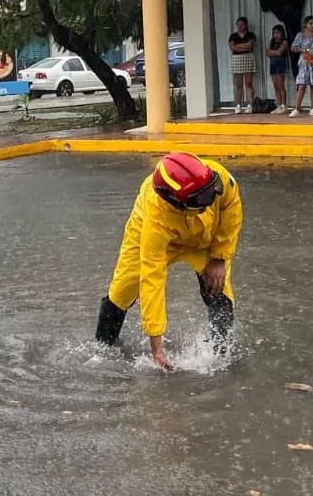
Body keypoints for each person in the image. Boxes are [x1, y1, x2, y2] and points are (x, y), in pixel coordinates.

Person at [95, 152, 244, 370]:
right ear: (177, 202)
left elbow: (231, 209)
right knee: (122, 290)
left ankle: (224, 357)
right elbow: (152, 279)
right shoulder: (155, 221)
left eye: (211, 193)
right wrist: (156, 347)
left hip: (205, 238)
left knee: (218, 290)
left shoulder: (215, 176)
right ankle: (103, 349)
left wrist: (220, 257)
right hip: (151, 236)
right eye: (202, 200)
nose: (211, 200)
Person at [290, 15, 313, 117]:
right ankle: (297, 108)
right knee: (302, 85)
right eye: (310, 23)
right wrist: (302, 50)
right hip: (304, 63)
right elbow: (293, 48)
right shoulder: (300, 35)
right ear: (305, 25)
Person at [227, 17, 257, 113]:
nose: (240, 26)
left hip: (248, 57)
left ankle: (250, 104)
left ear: (246, 25)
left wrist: (238, 46)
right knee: (238, 84)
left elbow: (249, 45)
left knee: (249, 83)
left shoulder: (250, 35)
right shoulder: (233, 36)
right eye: (238, 24)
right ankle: (238, 105)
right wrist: (242, 47)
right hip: (237, 59)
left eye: (242, 24)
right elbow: (232, 47)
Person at [266, 24, 290, 112]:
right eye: (274, 33)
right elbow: (267, 53)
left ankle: (284, 105)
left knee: (281, 85)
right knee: (275, 86)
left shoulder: (284, 41)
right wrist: (274, 52)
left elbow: (280, 52)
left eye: (278, 33)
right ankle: (279, 105)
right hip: (273, 64)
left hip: (281, 63)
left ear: (282, 33)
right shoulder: (271, 41)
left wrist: (273, 52)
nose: (276, 35)